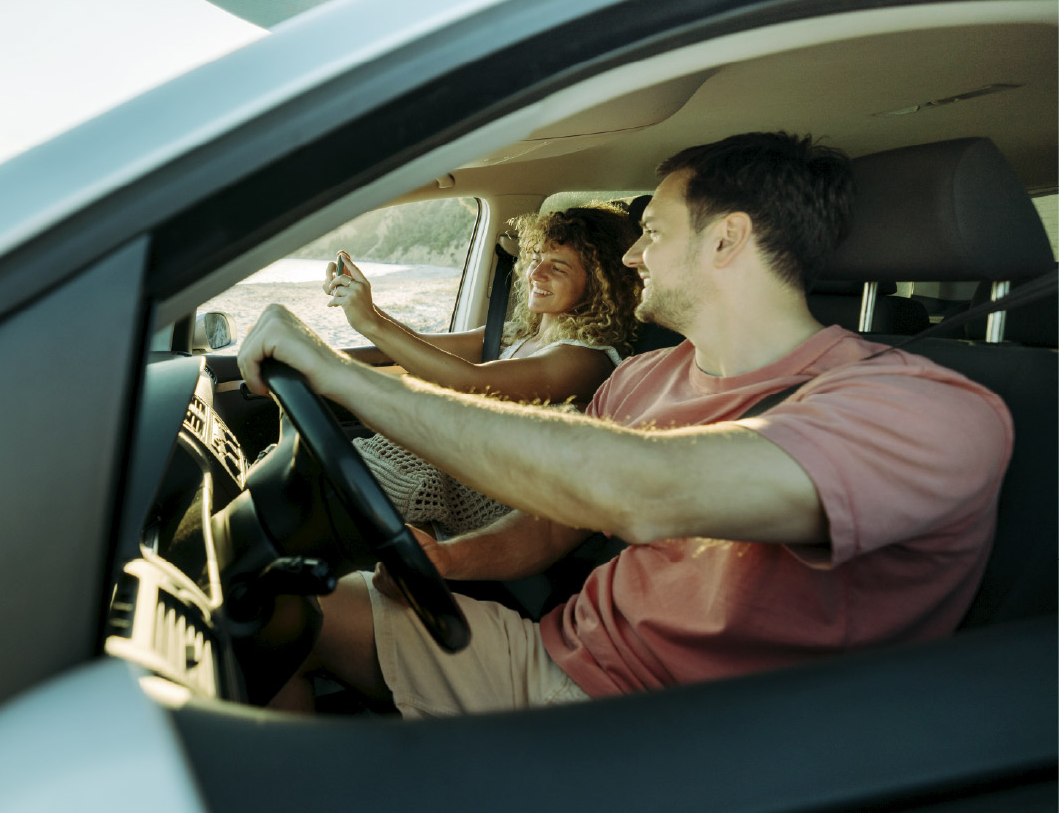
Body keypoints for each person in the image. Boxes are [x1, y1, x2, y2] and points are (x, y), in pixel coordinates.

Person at [238, 131, 1013, 717]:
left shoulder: (929, 411)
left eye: (654, 231)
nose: (634, 253)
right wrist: (447, 563)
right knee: (261, 607)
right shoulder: (644, 375)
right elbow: (550, 529)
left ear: (726, 239)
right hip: (551, 655)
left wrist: (338, 374)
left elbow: (644, 489)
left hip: (684, 736)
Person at [324, 204, 640, 534]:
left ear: (600, 283)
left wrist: (372, 323)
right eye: (535, 260)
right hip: (451, 468)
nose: (535, 274)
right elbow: (417, 346)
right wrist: (361, 306)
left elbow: (471, 384)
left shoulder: (587, 360)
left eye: (558, 268)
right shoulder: (515, 334)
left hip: (493, 506)